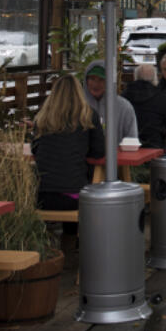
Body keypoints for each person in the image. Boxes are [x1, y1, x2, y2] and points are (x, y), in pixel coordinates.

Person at [31, 73, 104, 232]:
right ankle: (72, 242)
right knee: (79, 186)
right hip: (73, 196)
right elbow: (99, 152)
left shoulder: (42, 118)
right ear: (79, 92)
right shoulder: (88, 115)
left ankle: (55, 243)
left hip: (41, 196)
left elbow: (35, 148)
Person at [82, 59, 137, 144]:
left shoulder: (124, 107)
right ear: (86, 80)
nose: (96, 84)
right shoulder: (78, 106)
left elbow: (132, 140)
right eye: (92, 79)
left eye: (101, 80)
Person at [122, 63, 166, 151]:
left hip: (127, 147)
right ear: (155, 79)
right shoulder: (161, 98)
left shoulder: (123, 97)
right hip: (154, 148)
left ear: (135, 77)